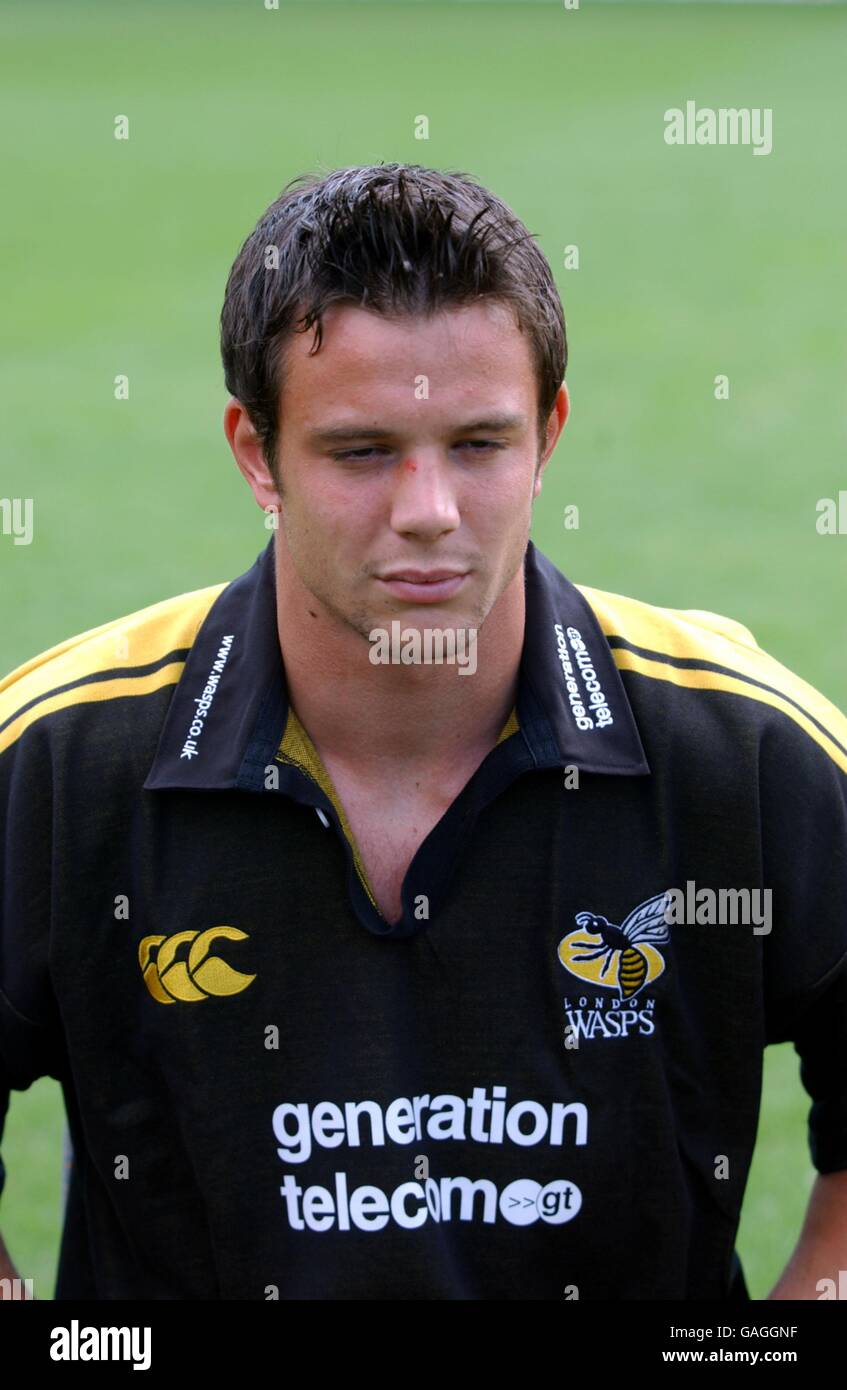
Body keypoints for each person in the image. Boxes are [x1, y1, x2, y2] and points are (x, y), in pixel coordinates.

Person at [1, 163, 845, 1301]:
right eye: (362, 452)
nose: (429, 511)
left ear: (547, 433)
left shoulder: (743, 751)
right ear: (257, 452)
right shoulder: (64, 757)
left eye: (479, 445)